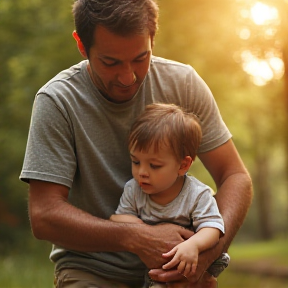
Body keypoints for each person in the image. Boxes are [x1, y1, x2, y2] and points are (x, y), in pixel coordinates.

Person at [20, 0, 252, 287]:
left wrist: (204, 258)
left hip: (176, 270)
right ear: (81, 44)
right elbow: (44, 215)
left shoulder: (184, 84)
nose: (128, 77)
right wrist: (137, 238)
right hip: (93, 270)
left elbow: (235, 176)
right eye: (110, 62)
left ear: (153, 38)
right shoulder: (58, 102)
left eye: (141, 58)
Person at [110, 103, 227, 288]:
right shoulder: (134, 190)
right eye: (136, 161)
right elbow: (119, 218)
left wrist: (193, 245)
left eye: (154, 165)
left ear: (183, 165)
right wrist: (144, 231)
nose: (142, 172)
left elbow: (213, 228)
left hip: (191, 265)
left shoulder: (197, 194)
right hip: (156, 271)